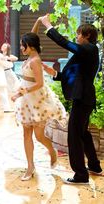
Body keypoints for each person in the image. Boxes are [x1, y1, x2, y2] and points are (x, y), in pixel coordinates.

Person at [40, 14, 103, 184]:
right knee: (83, 133)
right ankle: (95, 167)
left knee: (74, 136)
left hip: (83, 98)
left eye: (78, 34)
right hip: (85, 97)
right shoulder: (85, 54)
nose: (76, 37)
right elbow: (75, 76)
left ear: (87, 35)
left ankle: (81, 175)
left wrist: (48, 25)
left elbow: (64, 43)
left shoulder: (90, 49)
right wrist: (54, 74)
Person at [11, 21, 67, 181]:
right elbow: (32, 35)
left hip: (36, 100)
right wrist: (37, 21)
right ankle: (30, 166)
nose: (21, 48)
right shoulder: (30, 55)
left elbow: (40, 83)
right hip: (26, 100)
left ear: (30, 46)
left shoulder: (35, 60)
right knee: (26, 134)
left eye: (23, 45)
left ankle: (52, 151)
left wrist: (20, 93)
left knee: (39, 136)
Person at [0, 42, 20, 110]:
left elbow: (16, 58)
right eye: (3, 45)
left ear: (7, 48)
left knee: (16, 89)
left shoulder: (9, 55)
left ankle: (19, 104)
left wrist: (7, 58)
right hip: (1, 74)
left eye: (5, 46)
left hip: (9, 74)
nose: (2, 46)